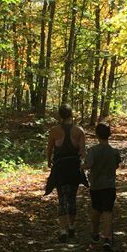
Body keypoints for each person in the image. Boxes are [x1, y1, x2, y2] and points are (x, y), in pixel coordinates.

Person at [46, 104, 86, 243]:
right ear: (71, 114)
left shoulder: (54, 130)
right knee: (72, 198)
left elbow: (49, 149)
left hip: (60, 168)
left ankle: (62, 230)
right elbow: (82, 153)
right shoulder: (79, 131)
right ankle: (72, 227)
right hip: (73, 168)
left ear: (60, 115)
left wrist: (48, 162)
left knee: (62, 198)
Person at [82, 122, 122, 251]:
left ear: (96, 135)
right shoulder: (114, 152)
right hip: (110, 186)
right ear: (109, 135)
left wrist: (80, 166)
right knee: (108, 211)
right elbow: (116, 165)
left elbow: (88, 165)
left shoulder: (93, 150)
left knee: (96, 210)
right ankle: (107, 238)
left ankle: (95, 233)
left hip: (96, 186)